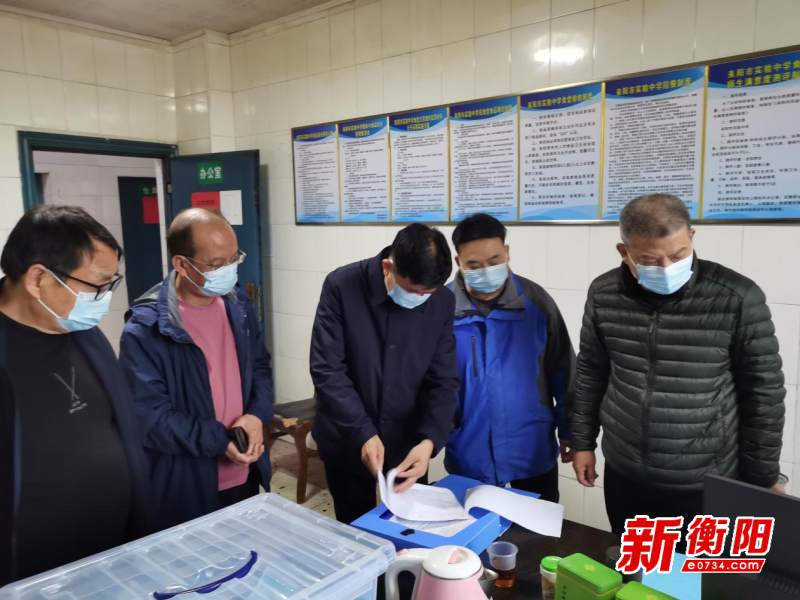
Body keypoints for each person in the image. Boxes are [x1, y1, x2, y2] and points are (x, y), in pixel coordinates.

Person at [570, 193, 786, 535]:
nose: (667, 268)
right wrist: (583, 442)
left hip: (703, 480)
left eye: (678, 255)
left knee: (695, 569)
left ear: (692, 237)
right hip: (626, 472)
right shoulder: (604, 293)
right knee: (632, 564)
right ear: (624, 252)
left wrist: (760, 480)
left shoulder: (736, 297)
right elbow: (590, 372)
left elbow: (764, 395)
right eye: (649, 260)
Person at [0, 206, 151, 586]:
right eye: (97, 285)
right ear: (38, 278)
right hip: (31, 575)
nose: (104, 299)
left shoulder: (86, 334)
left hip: (112, 555)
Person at [120, 208, 273, 531]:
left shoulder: (237, 306)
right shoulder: (147, 328)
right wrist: (219, 440)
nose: (228, 271)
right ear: (181, 264)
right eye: (216, 265)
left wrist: (257, 415)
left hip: (244, 473)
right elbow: (150, 418)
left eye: (234, 259)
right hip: (186, 486)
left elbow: (260, 368)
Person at [310, 223, 459, 524]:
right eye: (412, 291)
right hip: (348, 438)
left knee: (411, 532)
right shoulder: (342, 286)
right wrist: (363, 432)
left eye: (427, 293)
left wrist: (429, 442)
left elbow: (443, 378)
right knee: (355, 530)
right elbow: (328, 369)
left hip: (408, 444)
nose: (420, 298)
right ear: (388, 267)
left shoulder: (442, 300)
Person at [444, 214, 574, 502]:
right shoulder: (441, 309)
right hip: (468, 454)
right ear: (458, 262)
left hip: (531, 451)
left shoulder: (536, 303)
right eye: (474, 265)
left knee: (536, 529)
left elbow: (564, 371)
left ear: (507, 253)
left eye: (494, 261)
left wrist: (571, 431)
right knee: (473, 530)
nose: (486, 271)